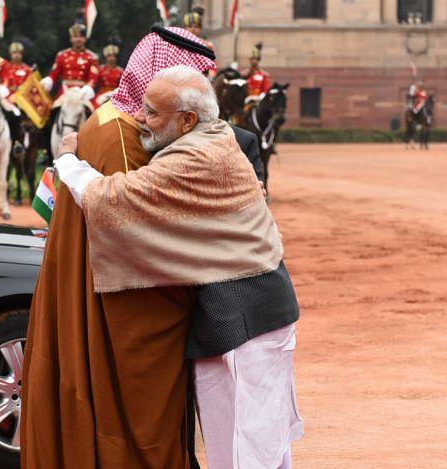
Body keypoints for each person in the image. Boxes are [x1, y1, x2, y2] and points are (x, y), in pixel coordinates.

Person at [55, 65, 304, 469]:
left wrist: (67, 157)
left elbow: (109, 196)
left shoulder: (195, 157)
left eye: (152, 113)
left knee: (246, 448)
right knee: (252, 440)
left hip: (246, 318)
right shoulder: (215, 134)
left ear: (188, 120)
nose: (139, 118)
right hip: (241, 314)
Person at [21, 26, 216, 468]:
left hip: (92, 288)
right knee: (130, 423)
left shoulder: (112, 116)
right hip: (119, 311)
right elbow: (141, 247)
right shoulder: (127, 142)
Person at [38, 15, 99, 165]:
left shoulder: (92, 57)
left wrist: (89, 87)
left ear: (85, 39)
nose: (78, 40)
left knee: (95, 118)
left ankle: (96, 149)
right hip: (64, 94)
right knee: (48, 116)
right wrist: (49, 80)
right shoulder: (62, 55)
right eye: (75, 37)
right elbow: (55, 73)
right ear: (71, 38)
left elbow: (94, 76)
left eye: (81, 37)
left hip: (82, 94)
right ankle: (46, 151)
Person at [183, 6, 218, 78]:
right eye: (189, 26)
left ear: (200, 29)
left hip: (201, 77)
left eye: (195, 27)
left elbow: (212, 65)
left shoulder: (206, 45)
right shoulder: (179, 42)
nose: (192, 29)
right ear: (184, 28)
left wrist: (211, 74)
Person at [93, 43, 123, 107]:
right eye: (109, 56)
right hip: (102, 93)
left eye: (113, 56)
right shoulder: (100, 69)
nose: (111, 58)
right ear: (106, 57)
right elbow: (95, 82)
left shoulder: (120, 71)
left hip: (115, 94)